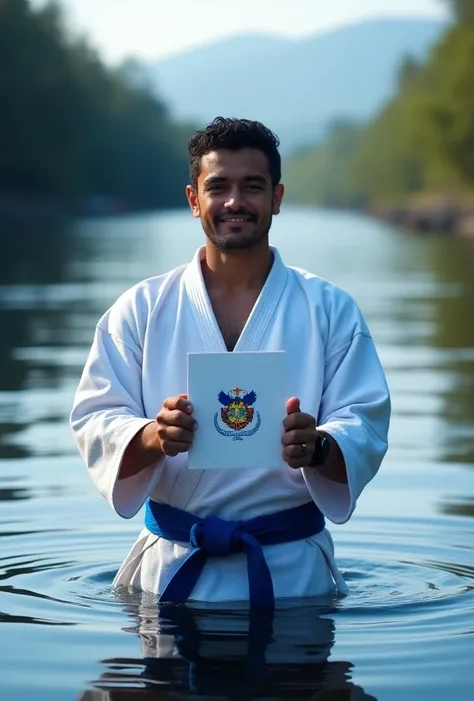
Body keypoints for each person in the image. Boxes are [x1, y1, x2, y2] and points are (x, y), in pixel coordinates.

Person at [70, 117, 390, 606]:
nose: (235, 202)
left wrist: (321, 447)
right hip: (171, 571)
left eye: (252, 187)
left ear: (276, 198)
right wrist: (153, 436)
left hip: (292, 576)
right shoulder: (140, 308)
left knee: (297, 685)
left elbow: (364, 421)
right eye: (218, 187)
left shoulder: (329, 309)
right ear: (194, 199)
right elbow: (95, 419)